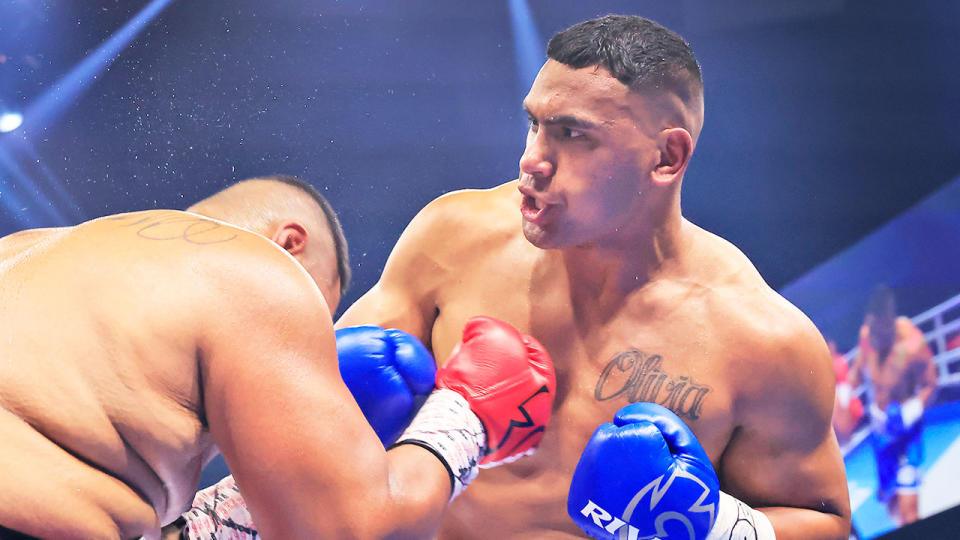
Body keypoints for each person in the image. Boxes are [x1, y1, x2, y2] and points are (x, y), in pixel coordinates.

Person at [182, 15, 851, 539]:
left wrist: (708, 529)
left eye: (572, 134)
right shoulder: (456, 238)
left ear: (667, 156)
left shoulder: (761, 341)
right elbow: (308, 404)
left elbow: (825, 521)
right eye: (533, 124)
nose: (533, 160)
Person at [0, 175, 555, 539]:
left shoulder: (31, 251)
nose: (312, 336)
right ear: (291, 244)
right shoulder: (253, 272)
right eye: (320, 311)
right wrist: (464, 419)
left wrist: (242, 510)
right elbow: (349, 534)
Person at [848, 285, 938, 526]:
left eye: (881, 327)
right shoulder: (867, 335)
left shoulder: (910, 342)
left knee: (909, 514)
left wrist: (914, 409)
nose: (875, 334)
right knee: (891, 504)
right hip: (880, 435)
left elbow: (932, 382)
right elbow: (858, 365)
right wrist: (846, 389)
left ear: (890, 318)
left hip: (905, 434)